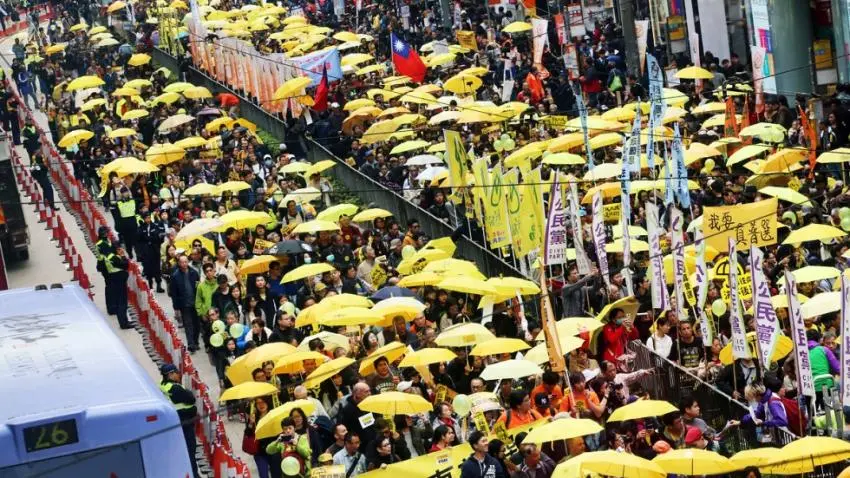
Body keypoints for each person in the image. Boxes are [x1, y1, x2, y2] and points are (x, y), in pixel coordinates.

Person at [159, 363, 201, 478]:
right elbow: (191, 399)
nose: (179, 375)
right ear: (170, 374)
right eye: (177, 373)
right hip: (185, 423)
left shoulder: (163, 385)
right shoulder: (175, 388)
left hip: (174, 423)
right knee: (190, 451)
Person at [170, 255, 201, 351]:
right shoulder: (175, 276)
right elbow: (174, 293)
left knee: (196, 324)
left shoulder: (194, 273)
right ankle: (191, 344)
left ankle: (196, 342)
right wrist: (176, 307)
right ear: (179, 263)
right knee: (188, 324)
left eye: (186, 261)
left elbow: (198, 287)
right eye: (182, 262)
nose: (184, 264)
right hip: (184, 304)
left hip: (195, 302)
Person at [104, 241, 131, 329]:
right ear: (117, 249)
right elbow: (126, 265)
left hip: (114, 280)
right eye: (120, 249)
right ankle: (124, 323)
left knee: (120, 302)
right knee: (122, 303)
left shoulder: (109, 255)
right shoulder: (114, 258)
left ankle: (124, 321)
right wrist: (123, 255)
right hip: (119, 281)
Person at [138, 211, 165, 292]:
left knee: (157, 268)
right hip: (146, 251)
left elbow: (158, 237)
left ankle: (159, 285)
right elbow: (139, 238)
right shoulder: (141, 227)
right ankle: (150, 285)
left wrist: (149, 238)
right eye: (146, 218)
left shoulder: (155, 226)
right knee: (148, 269)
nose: (148, 219)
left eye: (149, 217)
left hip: (155, 250)